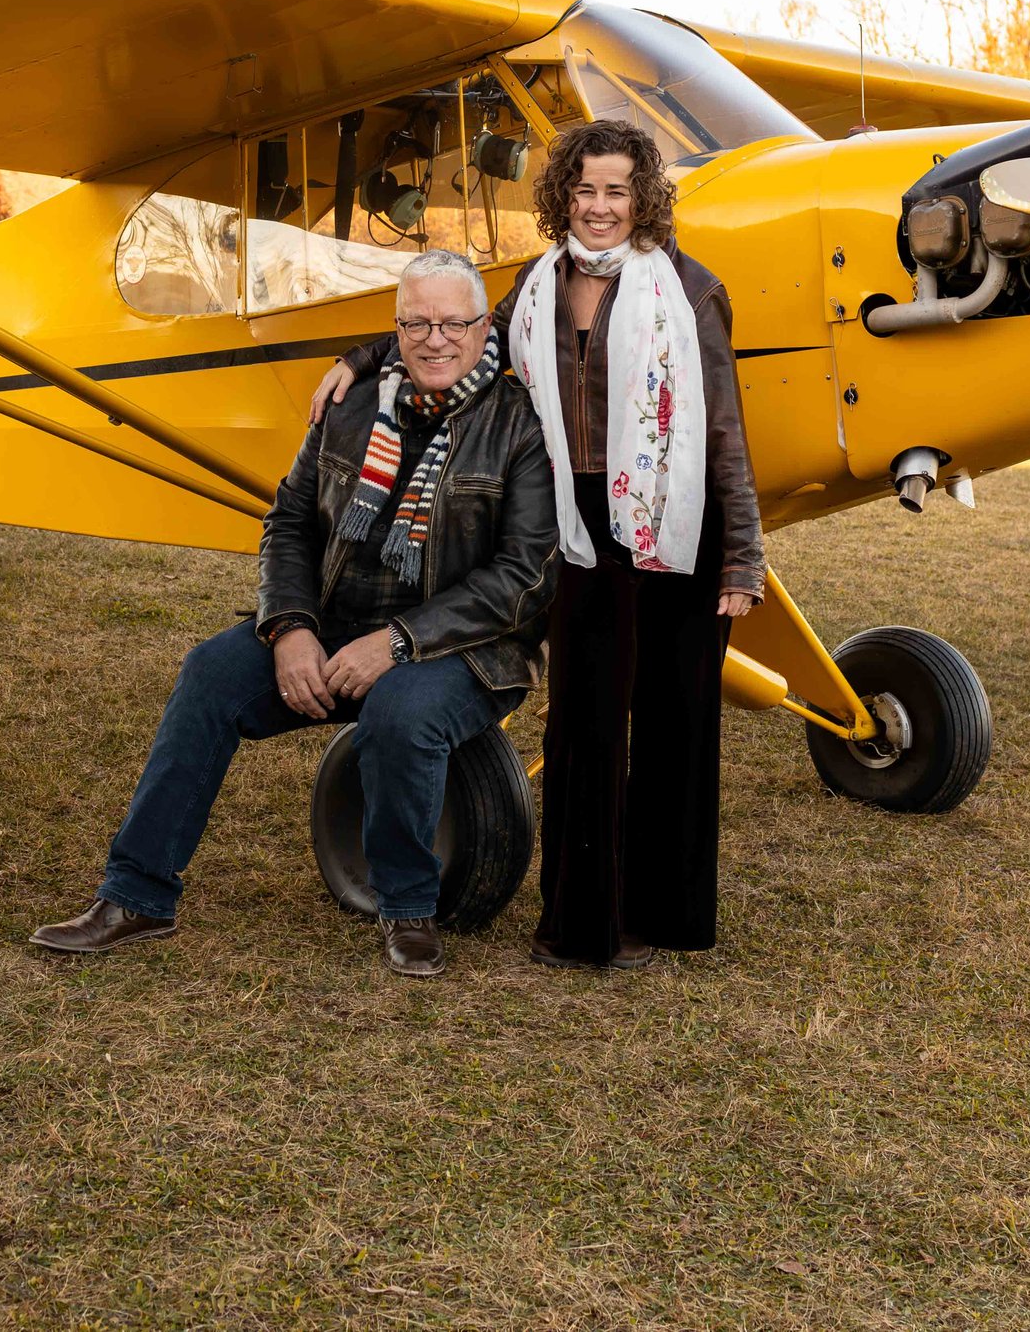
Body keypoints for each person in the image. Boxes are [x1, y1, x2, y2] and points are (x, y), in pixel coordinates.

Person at [311, 118, 763, 969]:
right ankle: (586, 923)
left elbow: (726, 427)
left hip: (674, 516)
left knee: (675, 719)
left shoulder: (691, 289)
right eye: (585, 188)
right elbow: (453, 336)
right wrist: (363, 357)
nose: (599, 206)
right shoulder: (536, 284)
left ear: (644, 198)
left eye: (617, 190)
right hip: (575, 523)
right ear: (563, 195)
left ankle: (665, 912)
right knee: (587, 720)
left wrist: (741, 555)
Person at [31, 251, 557, 978]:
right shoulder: (347, 406)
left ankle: (407, 907)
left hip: (464, 645)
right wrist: (289, 626)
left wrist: (399, 641)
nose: (437, 339)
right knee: (211, 673)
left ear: (481, 328)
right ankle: (136, 895)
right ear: (396, 330)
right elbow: (289, 525)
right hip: (335, 622)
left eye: (454, 323)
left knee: (401, 711)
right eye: (418, 323)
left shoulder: (518, 425)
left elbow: (523, 576)